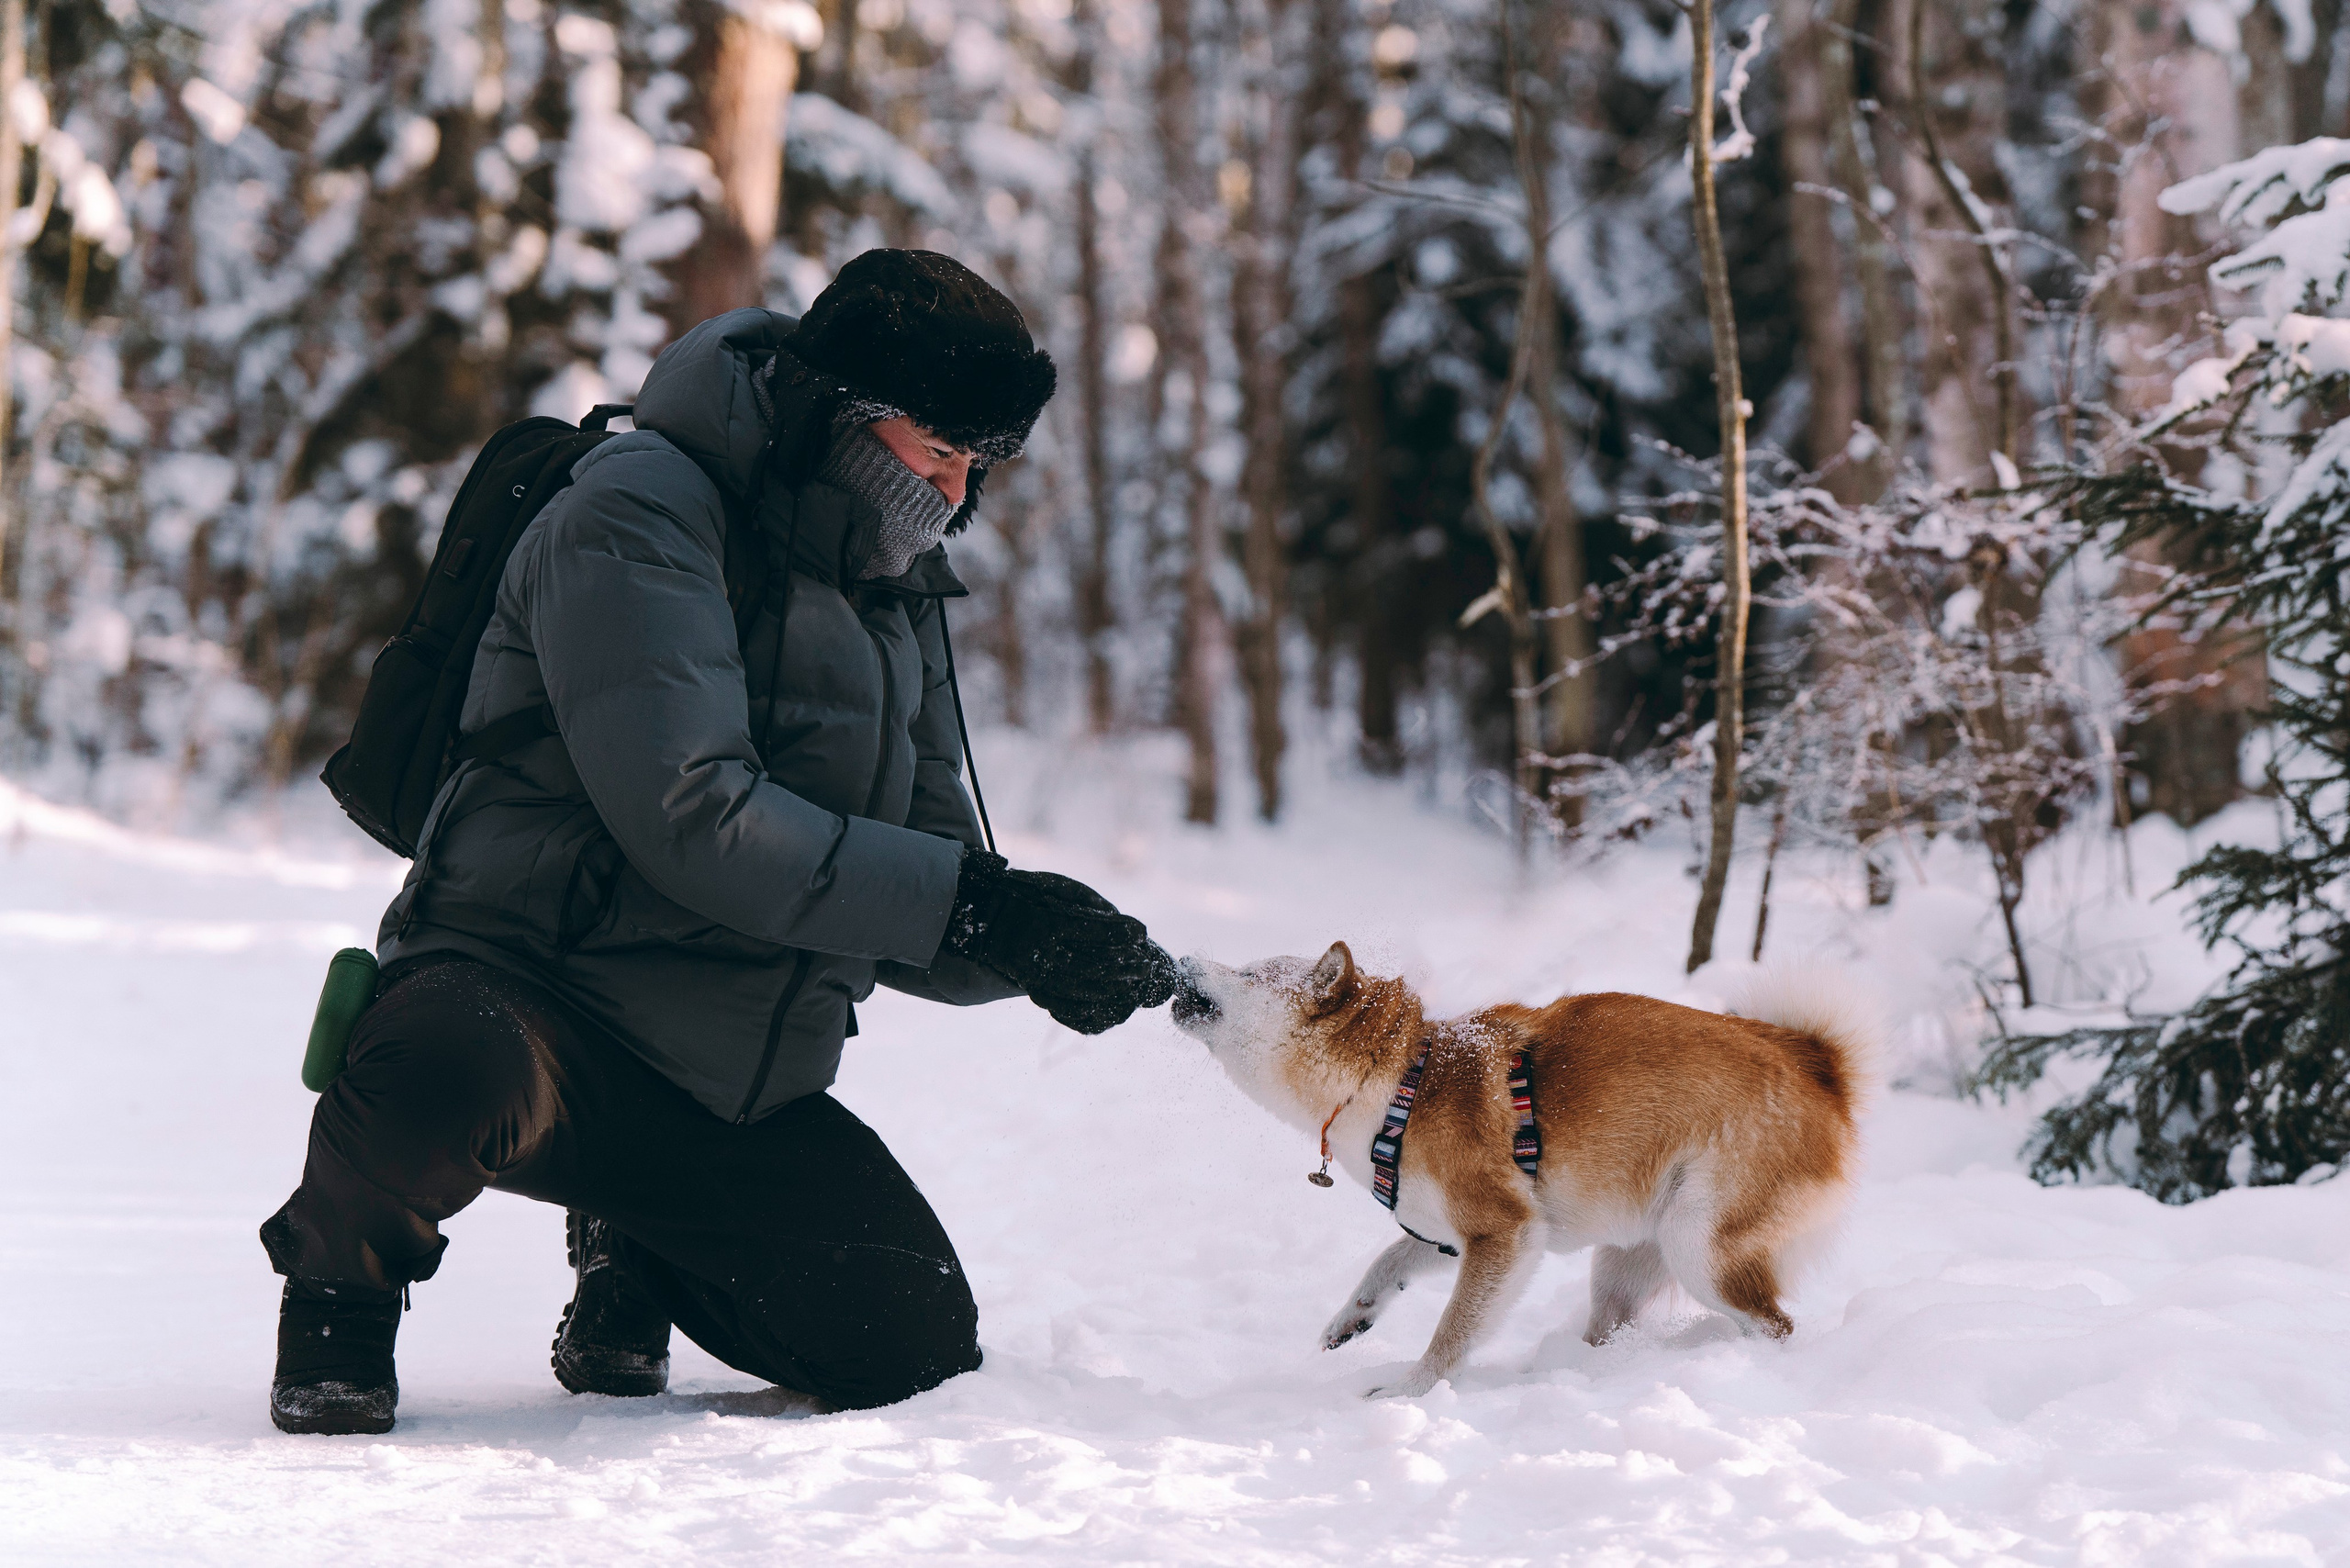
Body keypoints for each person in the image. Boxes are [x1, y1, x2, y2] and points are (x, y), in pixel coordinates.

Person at [259, 251, 1178, 1435]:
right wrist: (969, 903)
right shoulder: (637, 510)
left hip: (725, 1072)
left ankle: (636, 1244)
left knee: (907, 1343)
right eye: (938, 451)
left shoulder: (895, 584)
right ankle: (338, 1292)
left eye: (978, 465)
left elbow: (924, 869)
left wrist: (1037, 943)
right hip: (527, 994)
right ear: (842, 412)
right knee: (441, 1075)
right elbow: (696, 816)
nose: (955, 495)